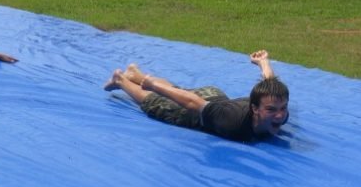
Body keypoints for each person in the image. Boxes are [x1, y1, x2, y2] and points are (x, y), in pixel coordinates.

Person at [102, 50, 290, 142]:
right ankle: (121, 80)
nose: (280, 115)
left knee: (178, 90)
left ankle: (135, 74)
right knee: (155, 102)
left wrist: (263, 62)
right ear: (254, 109)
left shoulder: (277, 108)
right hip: (198, 109)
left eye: (282, 109)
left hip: (214, 96)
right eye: (271, 110)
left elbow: (270, 86)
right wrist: (154, 86)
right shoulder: (233, 121)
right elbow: (193, 103)